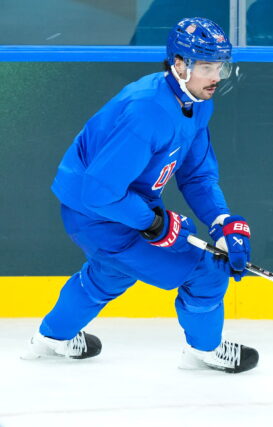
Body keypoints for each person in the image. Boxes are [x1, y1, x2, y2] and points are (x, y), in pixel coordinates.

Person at [21, 17, 258, 374]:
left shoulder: (196, 101)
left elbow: (197, 175)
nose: (216, 77)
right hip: (99, 213)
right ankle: (205, 350)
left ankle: (51, 339)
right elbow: (99, 192)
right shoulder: (148, 112)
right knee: (205, 272)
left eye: (220, 66)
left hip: (114, 205)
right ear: (180, 64)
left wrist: (221, 221)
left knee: (110, 273)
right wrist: (154, 224)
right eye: (207, 67)